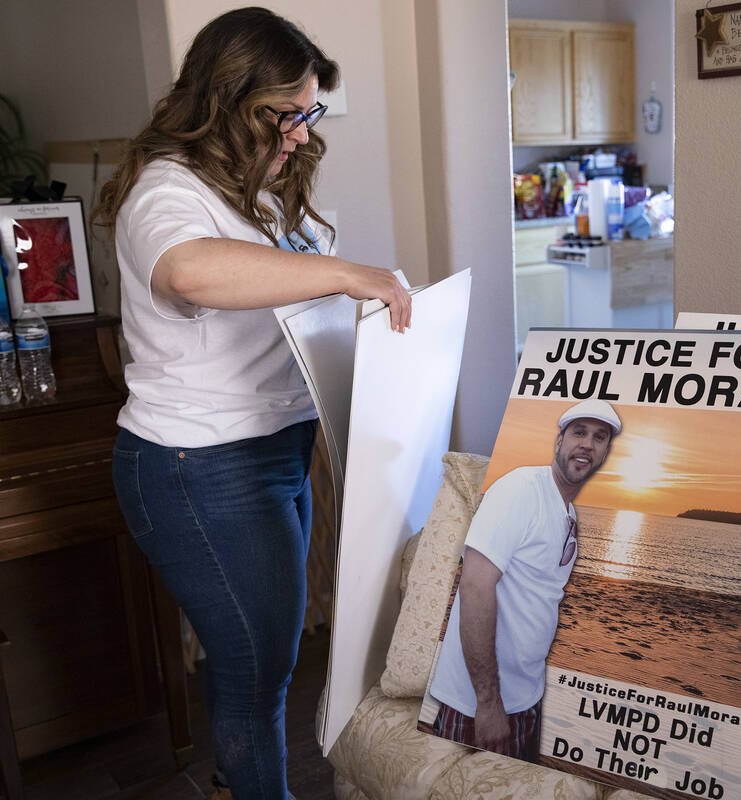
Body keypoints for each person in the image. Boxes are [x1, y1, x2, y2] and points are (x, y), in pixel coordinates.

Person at [93, 8, 412, 799]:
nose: (303, 134)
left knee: (261, 658)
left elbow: (282, 305)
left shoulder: (256, 193)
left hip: (273, 452)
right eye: (289, 115)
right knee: (257, 666)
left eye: (311, 113)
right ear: (232, 100)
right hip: (198, 466)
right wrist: (345, 275)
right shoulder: (166, 192)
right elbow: (190, 271)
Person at [428, 399, 622, 762]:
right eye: (579, 433)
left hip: (523, 699)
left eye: (599, 438)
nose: (587, 444)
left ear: (606, 452)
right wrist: (487, 704)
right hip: (478, 706)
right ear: (559, 440)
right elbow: (474, 586)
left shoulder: (567, 510)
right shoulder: (521, 489)